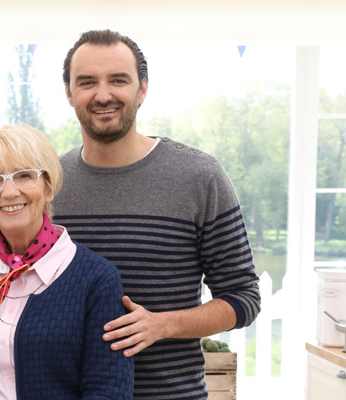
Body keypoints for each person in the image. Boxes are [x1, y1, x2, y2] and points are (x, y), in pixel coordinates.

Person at [52, 29, 262, 398]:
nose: (103, 94)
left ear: (142, 89)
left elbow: (243, 298)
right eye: (87, 82)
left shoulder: (199, 176)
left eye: (118, 80)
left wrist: (161, 325)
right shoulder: (48, 182)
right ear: (69, 93)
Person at [0, 125, 133, 399]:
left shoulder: (97, 279)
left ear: (49, 188)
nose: (9, 192)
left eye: (24, 176)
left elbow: (108, 390)